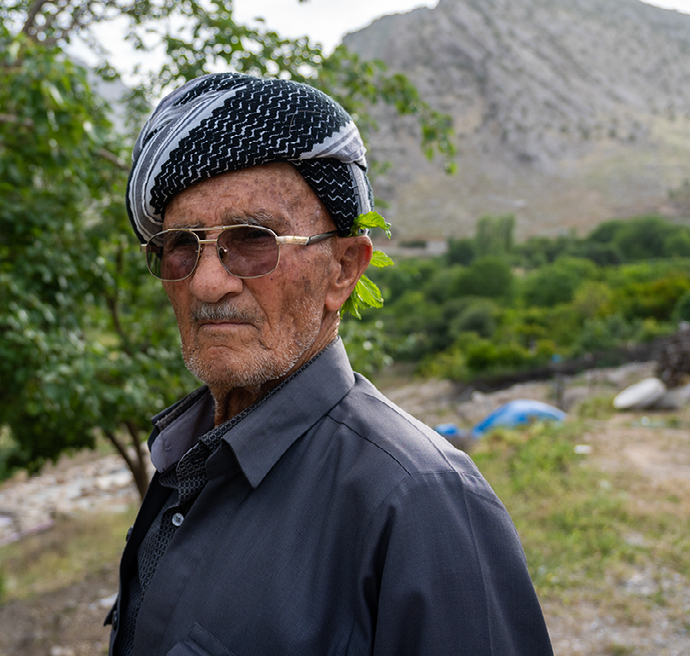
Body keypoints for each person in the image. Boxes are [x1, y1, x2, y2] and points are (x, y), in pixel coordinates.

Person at [108, 72, 554, 656]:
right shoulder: (185, 456)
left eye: (254, 240)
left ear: (344, 269)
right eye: (181, 246)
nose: (207, 283)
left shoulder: (422, 501)